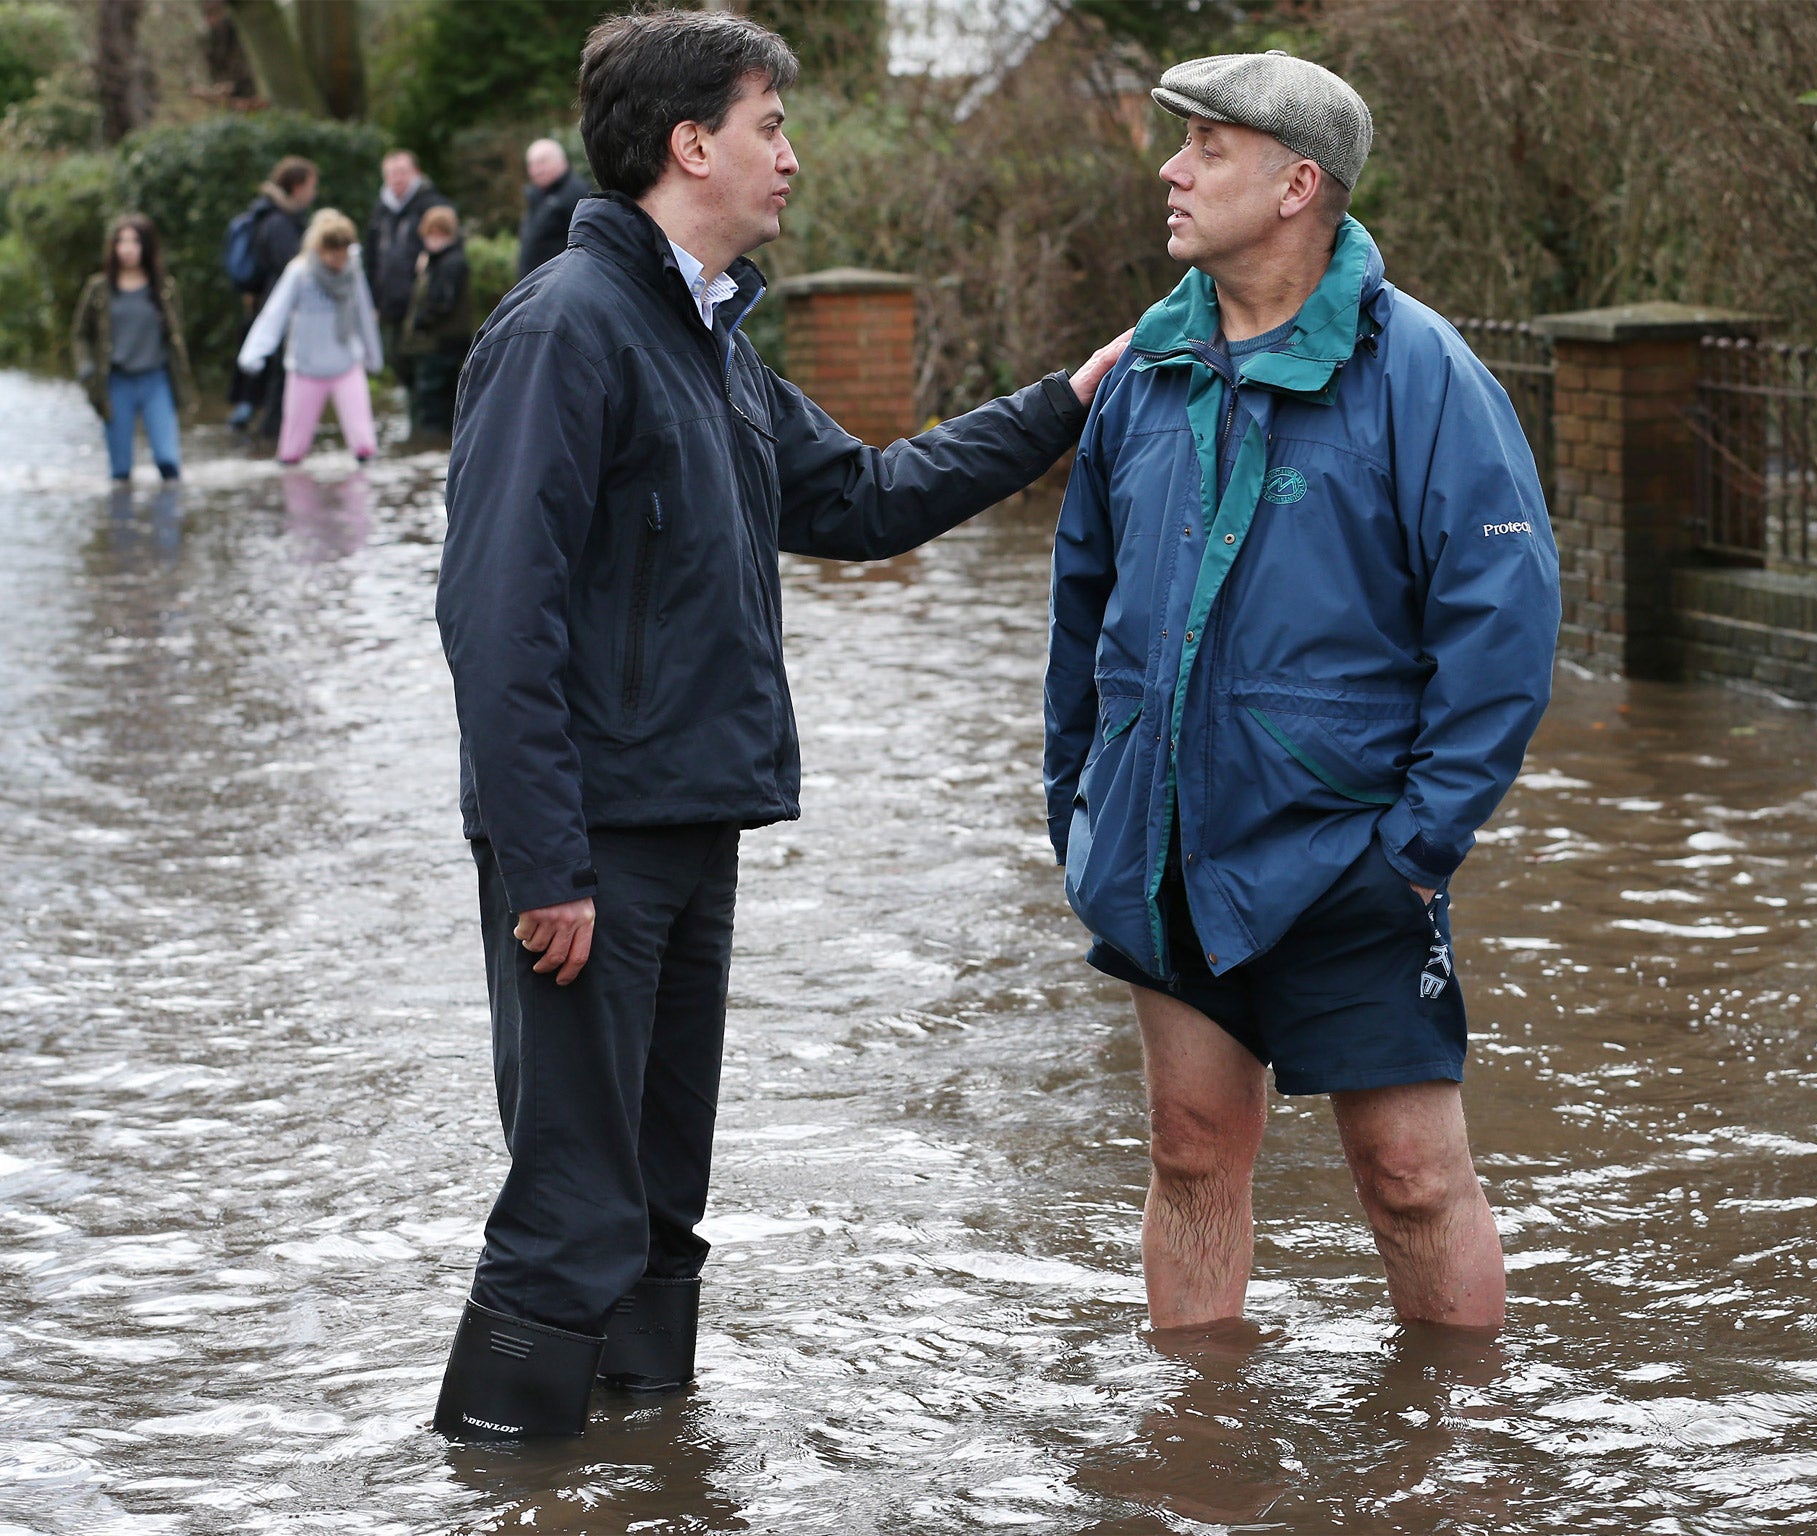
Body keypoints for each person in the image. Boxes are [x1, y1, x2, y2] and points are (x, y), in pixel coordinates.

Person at [431, 8, 1130, 1441]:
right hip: (586, 854)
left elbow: (866, 501)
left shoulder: (713, 342)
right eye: (771, 125)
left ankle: (640, 1468)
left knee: (661, 1195)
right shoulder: (566, 329)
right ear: (693, 144)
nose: (791, 155)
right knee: (574, 1195)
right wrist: (546, 857)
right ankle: (503, 1486)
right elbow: (498, 616)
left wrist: (1064, 403)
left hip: (693, 825)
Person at [1044, 53, 1559, 1338]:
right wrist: (1080, 808)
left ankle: (1452, 1462)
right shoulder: (1144, 378)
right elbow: (1079, 614)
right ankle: (1196, 1461)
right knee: (1187, 1153)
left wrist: (1418, 848)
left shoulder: (1421, 372)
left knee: (1409, 1179)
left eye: (1205, 147)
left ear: (1295, 185)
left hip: (1352, 859)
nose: (1170, 169)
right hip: (1165, 842)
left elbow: (1502, 626)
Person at [236, 208, 383, 465]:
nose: (339, 260)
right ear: (319, 248)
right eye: (333, 253)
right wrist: (254, 354)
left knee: (364, 443)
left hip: (346, 363)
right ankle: (295, 500)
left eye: (344, 253)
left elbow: (363, 316)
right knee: (292, 449)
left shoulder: (353, 272)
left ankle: (362, 499)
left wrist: (374, 357)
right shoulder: (299, 273)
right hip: (306, 368)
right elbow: (274, 315)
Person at [71, 214, 195, 483]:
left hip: (156, 379)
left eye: (134, 242)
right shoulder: (98, 290)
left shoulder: (165, 289)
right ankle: (122, 523)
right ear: (113, 247)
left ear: (147, 246)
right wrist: (87, 369)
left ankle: (170, 521)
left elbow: (176, 336)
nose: (127, 249)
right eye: (121, 242)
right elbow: (81, 335)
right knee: (120, 471)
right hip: (116, 382)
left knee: (168, 461)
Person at [228, 155, 320, 435]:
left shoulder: (275, 216)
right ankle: (271, 440)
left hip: (269, 306)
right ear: (297, 186)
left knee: (274, 379)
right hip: (279, 310)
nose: (314, 192)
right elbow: (292, 266)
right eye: (311, 185)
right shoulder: (279, 222)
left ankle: (265, 434)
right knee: (279, 380)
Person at [362, 149, 451, 377]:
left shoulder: (433, 205)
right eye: (391, 173)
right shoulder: (381, 211)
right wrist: (372, 299)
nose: (397, 178)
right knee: (396, 362)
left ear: (416, 173)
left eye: (402, 172)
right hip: (389, 304)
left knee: (423, 371)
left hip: (421, 306)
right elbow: (370, 257)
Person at [399, 204, 472, 436]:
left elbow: (442, 303)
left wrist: (421, 321)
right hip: (439, 345)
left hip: (441, 346)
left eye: (440, 233)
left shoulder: (451, 263)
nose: (434, 239)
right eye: (431, 233)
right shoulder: (437, 262)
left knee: (435, 407)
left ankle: (431, 444)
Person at [516, 137, 591, 278]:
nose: (536, 170)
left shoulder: (576, 193)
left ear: (561, 161)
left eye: (541, 163)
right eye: (531, 165)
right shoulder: (536, 195)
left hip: (562, 284)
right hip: (534, 285)